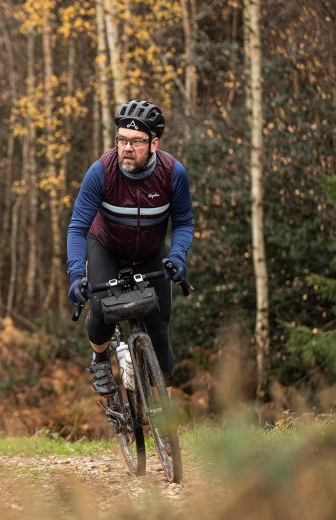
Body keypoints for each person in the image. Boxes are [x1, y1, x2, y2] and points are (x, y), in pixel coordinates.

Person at [66, 99, 194, 396]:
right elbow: (77, 227)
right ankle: (99, 358)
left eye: (136, 141)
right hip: (106, 247)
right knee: (100, 312)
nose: (126, 147)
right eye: (121, 139)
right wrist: (76, 275)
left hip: (151, 253)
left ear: (154, 144)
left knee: (160, 332)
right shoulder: (101, 172)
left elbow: (184, 222)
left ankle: (163, 417)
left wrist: (177, 256)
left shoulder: (173, 173)